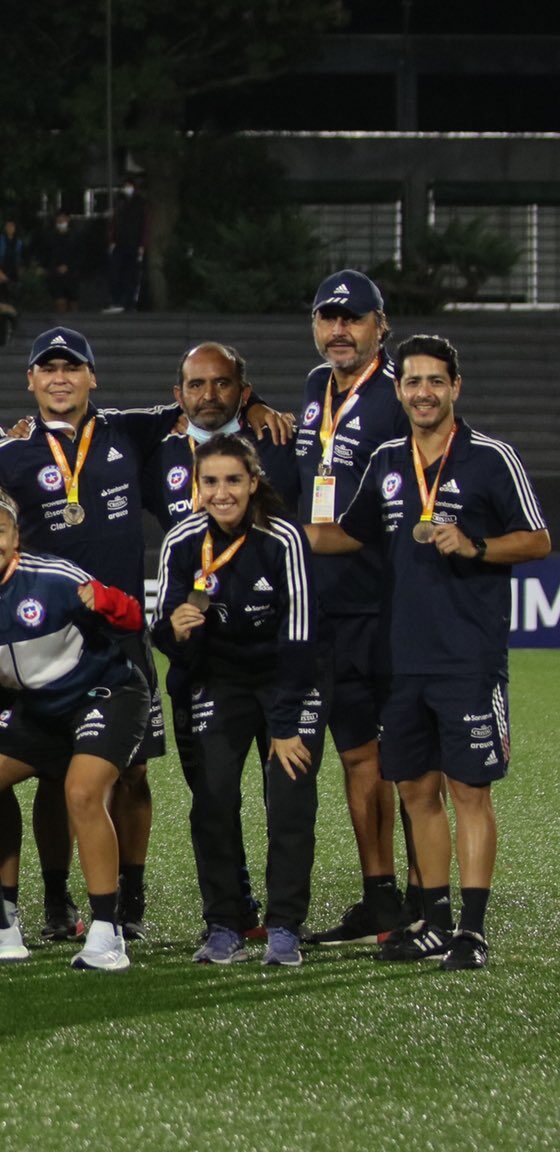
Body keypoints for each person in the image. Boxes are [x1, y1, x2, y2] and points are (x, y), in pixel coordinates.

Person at [307, 334, 550, 971]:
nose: (423, 392)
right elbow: (346, 535)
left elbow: (537, 540)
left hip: (467, 654)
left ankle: (471, 930)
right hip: (401, 656)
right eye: (412, 382)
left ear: (455, 387)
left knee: (469, 790)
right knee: (416, 789)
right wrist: (268, 521)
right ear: (400, 390)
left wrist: (475, 547)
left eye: (435, 381)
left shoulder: (491, 457)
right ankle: (434, 922)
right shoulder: (387, 459)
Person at [0, 326, 188, 939]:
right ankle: (59, 898)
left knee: (134, 772)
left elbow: (198, 403)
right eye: (49, 368)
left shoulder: (128, 430)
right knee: (54, 774)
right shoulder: (7, 457)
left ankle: (131, 899)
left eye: (73, 367)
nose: (60, 377)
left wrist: (251, 404)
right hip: (49, 639)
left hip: (121, 634)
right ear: (31, 381)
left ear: (93, 377)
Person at [0, 486, 152, 971]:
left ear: (15, 536)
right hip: (40, 708)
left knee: (82, 793)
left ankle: (107, 932)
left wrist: (107, 600)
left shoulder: (52, 577)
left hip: (106, 695)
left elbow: (132, 619)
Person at [152, 435, 320, 967]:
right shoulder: (181, 540)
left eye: (232, 480)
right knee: (214, 800)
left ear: (252, 483)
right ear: (196, 487)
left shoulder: (283, 537)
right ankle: (225, 921)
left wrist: (286, 723)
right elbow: (163, 630)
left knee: (290, 802)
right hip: (219, 682)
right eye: (210, 482)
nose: (221, 492)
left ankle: (285, 926)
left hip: (286, 680)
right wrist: (176, 631)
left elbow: (301, 636)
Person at [290, 270, 412, 948]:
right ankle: (381, 900)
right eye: (328, 318)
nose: (339, 330)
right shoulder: (315, 389)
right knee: (356, 756)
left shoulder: (401, 396)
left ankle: (428, 903)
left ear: (379, 325)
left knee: (408, 762)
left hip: (384, 605)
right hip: (325, 607)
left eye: (353, 319)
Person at [145, 343, 300, 533]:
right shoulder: (158, 457)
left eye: (222, 384)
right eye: (196, 385)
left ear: (245, 394)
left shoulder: (281, 442)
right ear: (179, 396)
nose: (209, 395)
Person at [104, 178, 146, 313]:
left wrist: (141, 244)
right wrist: (112, 241)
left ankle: (128, 303)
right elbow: (114, 224)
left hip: (133, 244)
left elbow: (143, 225)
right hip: (120, 243)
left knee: (131, 275)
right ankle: (117, 301)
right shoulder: (120, 202)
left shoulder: (139, 204)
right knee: (116, 272)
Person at [40, 210, 82, 313]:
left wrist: (69, 266)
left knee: (73, 299)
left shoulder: (75, 235)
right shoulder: (50, 236)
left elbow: (80, 254)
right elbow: (47, 254)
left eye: (63, 218)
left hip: (71, 272)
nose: (61, 220)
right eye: (59, 218)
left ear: (68, 219)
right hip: (55, 272)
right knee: (59, 299)